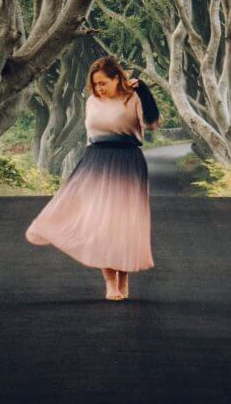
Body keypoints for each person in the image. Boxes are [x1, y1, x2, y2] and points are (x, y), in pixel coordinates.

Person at [24, 54, 161, 301]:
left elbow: (151, 123)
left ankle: (123, 278)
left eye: (103, 83)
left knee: (125, 223)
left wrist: (145, 91)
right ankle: (110, 283)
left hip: (127, 161)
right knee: (102, 223)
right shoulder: (92, 102)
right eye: (95, 84)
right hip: (97, 160)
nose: (98, 89)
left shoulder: (133, 98)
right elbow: (90, 137)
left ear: (117, 79)